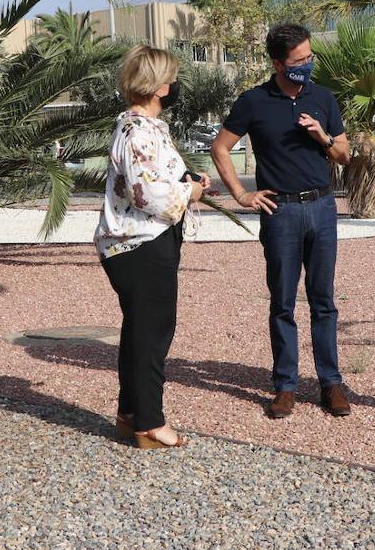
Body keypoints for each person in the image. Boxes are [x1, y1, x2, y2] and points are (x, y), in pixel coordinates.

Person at [210, 23, 352, 419]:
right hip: (280, 213)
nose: (307, 64)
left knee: (323, 301)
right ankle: (285, 385)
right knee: (283, 303)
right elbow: (220, 147)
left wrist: (322, 136)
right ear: (277, 62)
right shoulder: (254, 101)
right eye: (299, 60)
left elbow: (344, 155)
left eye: (309, 57)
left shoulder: (323, 97)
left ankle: (331, 383)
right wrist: (241, 194)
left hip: (322, 209)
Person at [94, 45, 210, 449]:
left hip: (141, 241)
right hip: (140, 243)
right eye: (173, 78)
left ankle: (131, 413)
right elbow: (148, 194)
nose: (175, 85)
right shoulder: (138, 130)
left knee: (139, 329)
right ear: (160, 86)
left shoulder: (142, 128)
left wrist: (188, 179)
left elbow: (154, 177)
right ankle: (148, 422)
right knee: (153, 332)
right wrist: (190, 191)